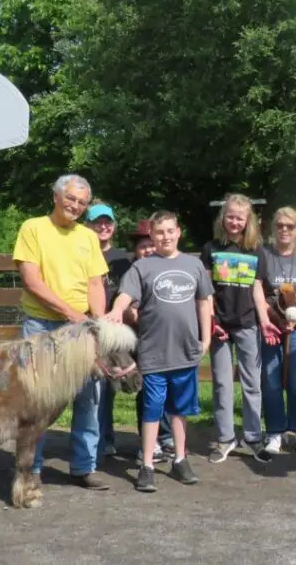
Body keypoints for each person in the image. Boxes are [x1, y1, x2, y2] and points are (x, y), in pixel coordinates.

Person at [12, 173, 110, 490]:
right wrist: (71, 313)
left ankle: (84, 466)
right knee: (38, 399)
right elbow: (32, 280)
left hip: (81, 327)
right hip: (41, 325)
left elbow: (96, 283)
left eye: (82, 202)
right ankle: (32, 467)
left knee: (88, 397)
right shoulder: (33, 228)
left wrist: (98, 322)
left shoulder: (88, 237)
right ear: (56, 196)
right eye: (70, 199)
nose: (75, 206)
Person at [107, 210, 213, 492]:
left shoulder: (194, 265)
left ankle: (180, 459)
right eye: (159, 232)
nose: (165, 236)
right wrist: (117, 310)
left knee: (180, 410)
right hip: (153, 352)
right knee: (153, 409)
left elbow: (204, 302)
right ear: (152, 236)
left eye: (170, 231)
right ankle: (147, 466)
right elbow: (125, 296)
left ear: (178, 232)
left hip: (186, 351)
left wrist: (206, 339)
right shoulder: (142, 268)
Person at [201, 193, 282, 464]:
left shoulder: (256, 249)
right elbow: (206, 291)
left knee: (252, 384)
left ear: (249, 221)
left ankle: (252, 437)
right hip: (219, 327)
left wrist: (265, 320)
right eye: (230, 216)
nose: (234, 222)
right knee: (222, 384)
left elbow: (257, 289)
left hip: (248, 324)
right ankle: (225, 438)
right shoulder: (211, 248)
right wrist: (211, 322)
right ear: (223, 217)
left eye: (240, 217)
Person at [257, 207, 296, 455]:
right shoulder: (263, 255)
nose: (284, 230)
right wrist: (274, 317)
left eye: (290, 226)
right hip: (272, 325)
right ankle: (274, 431)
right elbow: (258, 291)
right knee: (271, 380)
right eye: (280, 225)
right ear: (273, 228)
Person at [124, 219, 176, 463]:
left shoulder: (167, 268)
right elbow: (129, 308)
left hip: (168, 339)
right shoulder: (134, 272)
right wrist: (141, 317)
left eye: (150, 245)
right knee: (146, 390)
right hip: (143, 338)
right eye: (142, 246)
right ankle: (149, 440)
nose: (147, 250)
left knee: (169, 389)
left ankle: (166, 437)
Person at [85, 200, 132, 458]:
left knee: (112, 386)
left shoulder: (123, 258)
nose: (103, 226)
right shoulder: (81, 252)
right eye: (97, 222)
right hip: (89, 328)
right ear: (88, 225)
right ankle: (93, 441)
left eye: (107, 222)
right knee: (92, 388)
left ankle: (107, 438)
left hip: (117, 331)